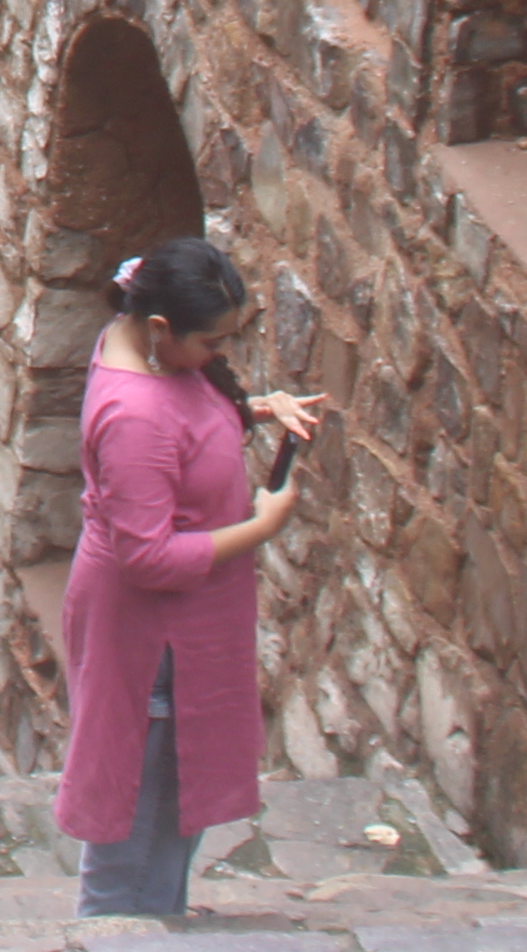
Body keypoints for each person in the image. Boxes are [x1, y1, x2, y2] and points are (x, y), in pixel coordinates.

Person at [60, 234, 332, 923]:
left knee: (174, 800)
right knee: (137, 806)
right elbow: (147, 558)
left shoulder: (147, 355)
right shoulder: (134, 416)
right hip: (152, 637)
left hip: (189, 626)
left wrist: (260, 406)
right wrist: (264, 526)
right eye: (211, 343)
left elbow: (189, 416)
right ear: (160, 329)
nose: (219, 356)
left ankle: (161, 922)